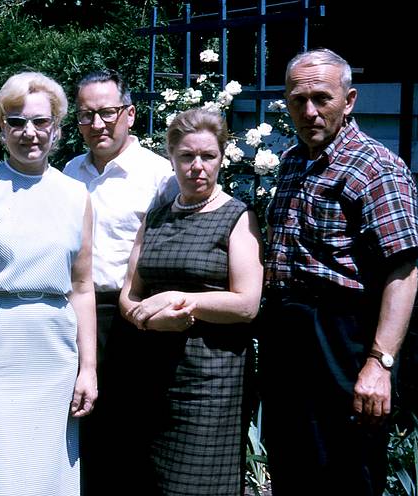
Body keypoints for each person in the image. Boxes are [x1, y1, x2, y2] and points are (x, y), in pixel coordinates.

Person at [260, 48, 418, 495]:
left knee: (348, 468)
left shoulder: (376, 168)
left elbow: (403, 273)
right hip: (289, 333)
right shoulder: (293, 160)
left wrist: (379, 363)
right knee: (292, 461)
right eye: (298, 99)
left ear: (348, 100)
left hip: (344, 335)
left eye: (321, 98)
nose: (309, 111)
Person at [0, 71, 97, 495]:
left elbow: (82, 288)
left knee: (47, 479)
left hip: (54, 355)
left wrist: (88, 369)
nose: (29, 133)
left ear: (57, 127)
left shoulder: (75, 196)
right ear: (1, 129)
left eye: (40, 121)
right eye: (16, 122)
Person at [118, 108, 263, 494]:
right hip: (151, 375)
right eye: (187, 156)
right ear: (172, 157)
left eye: (208, 156)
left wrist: (181, 300)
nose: (197, 166)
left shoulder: (237, 217)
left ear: (222, 158)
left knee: (196, 485)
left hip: (210, 379)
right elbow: (129, 294)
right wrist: (146, 320)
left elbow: (247, 304)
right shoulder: (158, 217)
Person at [62, 69, 173, 495]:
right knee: (85, 429)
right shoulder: (70, 172)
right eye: (87, 115)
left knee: (133, 433)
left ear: (129, 113)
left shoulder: (159, 176)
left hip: (132, 315)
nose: (97, 124)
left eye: (107, 112)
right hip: (76, 314)